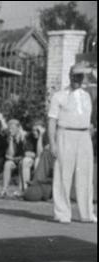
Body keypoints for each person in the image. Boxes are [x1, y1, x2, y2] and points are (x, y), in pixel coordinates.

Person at [48, 63, 96, 223]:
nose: (77, 79)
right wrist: (53, 143)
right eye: (75, 76)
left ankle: (87, 214)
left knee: (85, 175)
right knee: (63, 174)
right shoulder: (59, 96)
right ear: (69, 76)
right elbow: (52, 121)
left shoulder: (87, 96)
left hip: (83, 136)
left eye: (80, 76)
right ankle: (62, 213)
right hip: (65, 134)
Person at [0, 119, 27, 198]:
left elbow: (27, 153)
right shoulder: (8, 137)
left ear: (18, 128)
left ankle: (22, 190)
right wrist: (10, 141)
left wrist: (17, 158)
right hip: (14, 160)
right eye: (9, 128)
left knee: (23, 162)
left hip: (23, 159)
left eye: (13, 128)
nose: (10, 130)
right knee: (7, 164)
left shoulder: (24, 136)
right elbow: (9, 155)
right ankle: (4, 190)